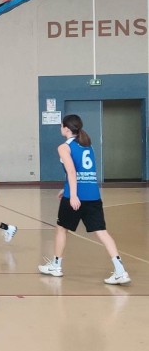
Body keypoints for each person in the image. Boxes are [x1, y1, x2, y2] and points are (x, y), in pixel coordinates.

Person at [38, 114, 130, 285]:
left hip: (76, 196)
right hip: (93, 195)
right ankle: (121, 271)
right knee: (102, 232)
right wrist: (66, 188)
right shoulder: (88, 145)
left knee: (61, 229)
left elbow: (72, 172)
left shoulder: (64, 147)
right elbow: (85, 172)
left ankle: (56, 266)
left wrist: (73, 194)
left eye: (61, 125)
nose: (60, 128)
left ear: (66, 128)